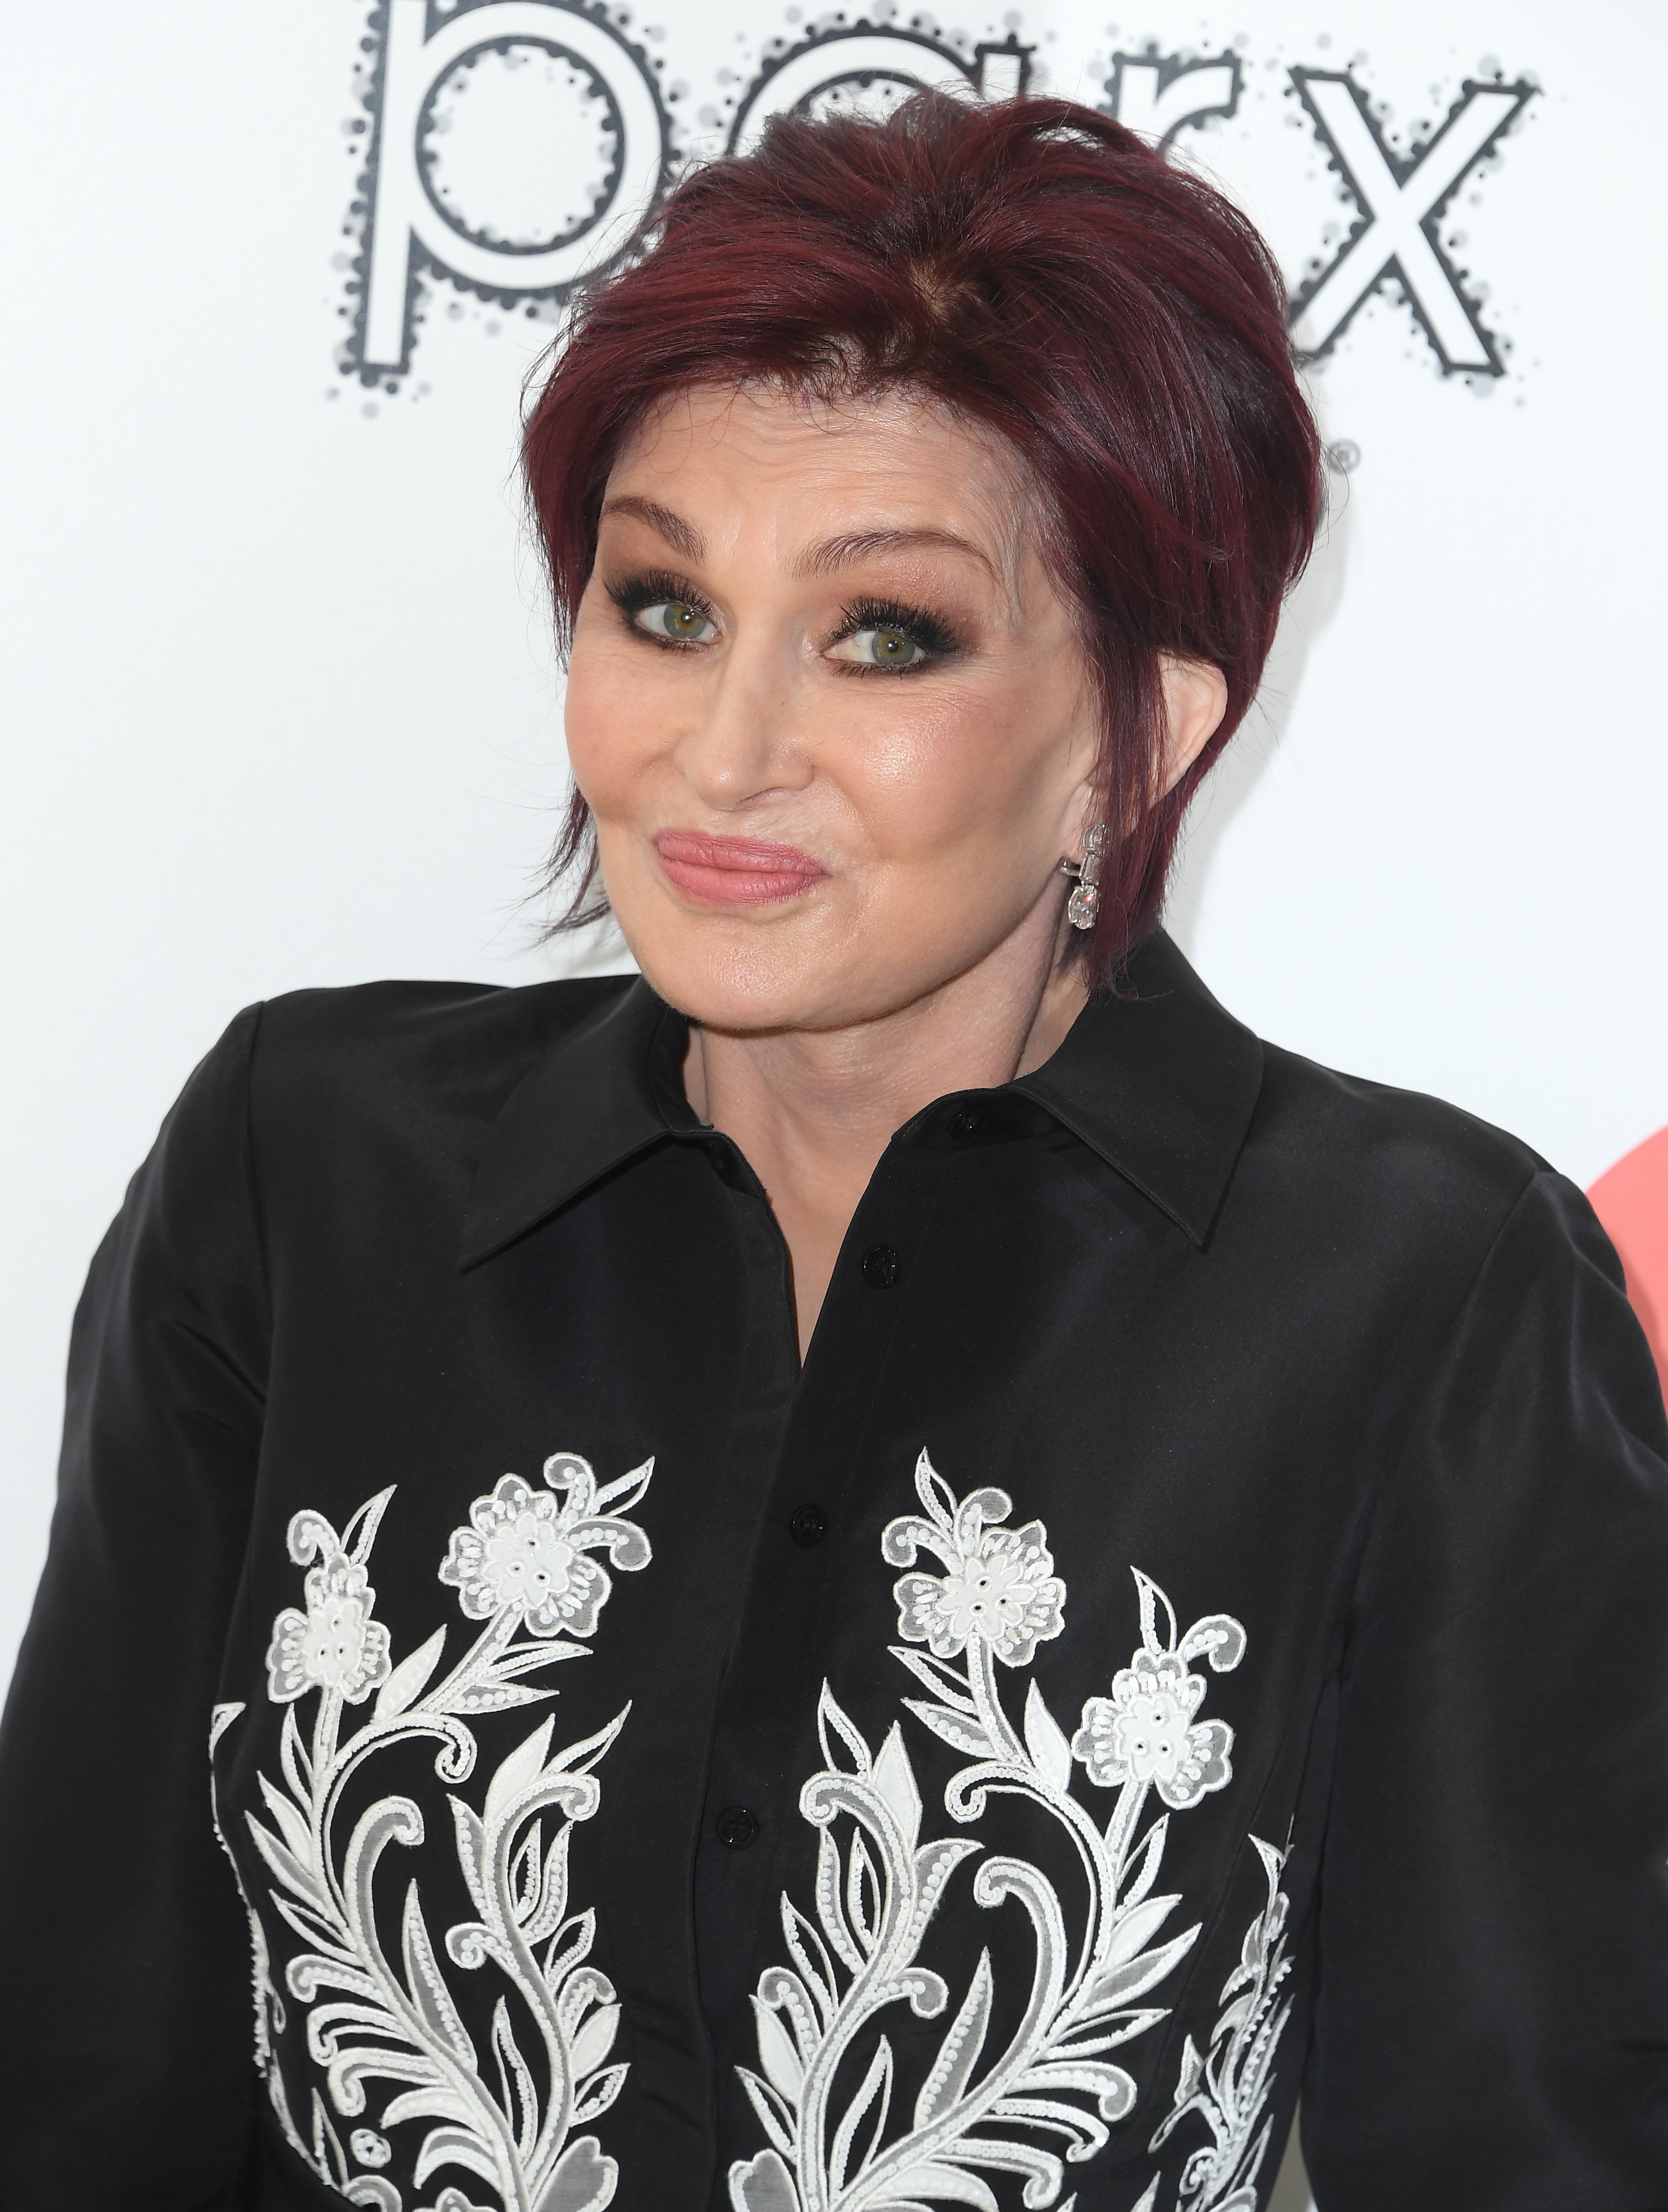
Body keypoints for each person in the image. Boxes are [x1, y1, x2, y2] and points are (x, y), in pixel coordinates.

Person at [0, 91, 1664, 2212]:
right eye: (662, 605)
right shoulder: (302, 1170)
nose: (722, 749)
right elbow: (76, 2073)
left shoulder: (1419, 1293)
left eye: (887, 632)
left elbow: (1529, 2158)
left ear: (1144, 732)